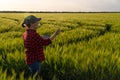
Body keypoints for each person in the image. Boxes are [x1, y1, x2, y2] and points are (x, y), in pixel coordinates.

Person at [22, 15, 60, 79]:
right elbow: (46, 42)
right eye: (37, 22)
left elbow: (34, 42)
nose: (38, 24)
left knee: (33, 76)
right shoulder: (34, 35)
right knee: (36, 77)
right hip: (35, 61)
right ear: (32, 23)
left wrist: (41, 38)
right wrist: (55, 34)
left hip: (29, 59)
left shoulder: (25, 33)